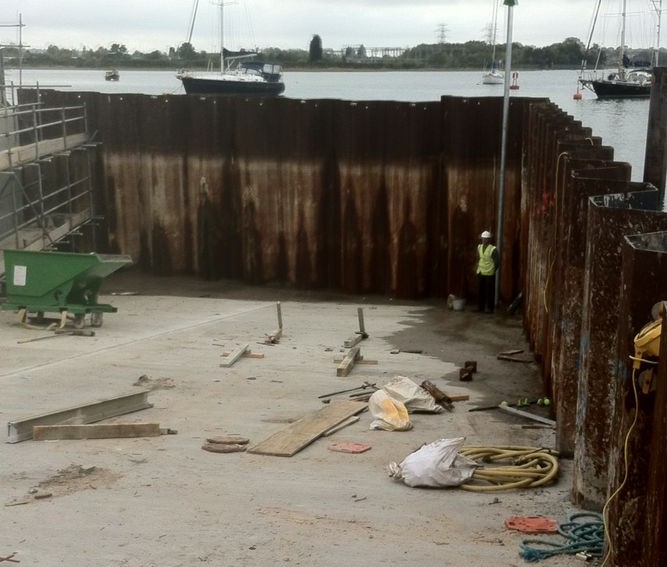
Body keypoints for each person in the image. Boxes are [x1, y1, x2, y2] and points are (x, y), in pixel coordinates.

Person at [476, 230, 499, 313]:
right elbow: (478, 258)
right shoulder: (479, 247)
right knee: (480, 291)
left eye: (486, 239)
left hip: (490, 274)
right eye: (483, 238)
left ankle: (490, 308)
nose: (484, 240)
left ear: (489, 240)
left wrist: (492, 270)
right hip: (481, 272)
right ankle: (480, 307)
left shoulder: (493, 249)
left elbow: (497, 262)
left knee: (490, 292)